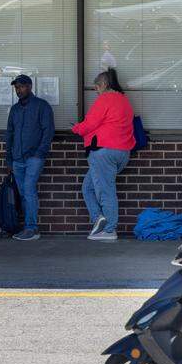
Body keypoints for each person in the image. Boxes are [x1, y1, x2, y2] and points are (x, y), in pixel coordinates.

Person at [72, 69, 135, 241]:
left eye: (97, 87)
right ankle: (98, 219)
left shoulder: (105, 99)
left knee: (106, 191)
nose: (96, 91)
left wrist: (76, 128)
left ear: (104, 85)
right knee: (88, 187)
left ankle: (109, 230)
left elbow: (90, 123)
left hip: (104, 151)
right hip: (123, 152)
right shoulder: (124, 101)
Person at [4, 74, 54, 241]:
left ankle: (31, 228)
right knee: (24, 192)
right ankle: (29, 227)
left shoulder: (42, 106)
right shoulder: (15, 109)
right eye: (16, 87)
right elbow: (9, 134)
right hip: (17, 159)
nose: (19, 90)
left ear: (30, 86)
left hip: (34, 157)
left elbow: (48, 131)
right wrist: (9, 159)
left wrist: (40, 152)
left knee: (29, 190)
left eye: (22, 86)